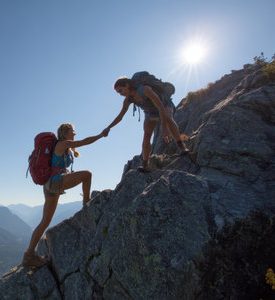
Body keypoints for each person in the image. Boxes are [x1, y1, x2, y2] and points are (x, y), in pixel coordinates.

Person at [22, 123, 107, 268]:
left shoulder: (62, 147)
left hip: (49, 185)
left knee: (45, 221)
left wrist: (67, 174)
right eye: (73, 131)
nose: (75, 134)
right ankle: (87, 204)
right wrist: (100, 135)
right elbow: (84, 142)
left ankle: (28, 256)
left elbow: (58, 167)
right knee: (87, 175)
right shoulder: (63, 144)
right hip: (55, 183)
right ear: (66, 132)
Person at [103, 76, 189, 172]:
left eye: (120, 90)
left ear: (127, 85)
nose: (120, 94)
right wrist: (108, 127)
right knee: (146, 135)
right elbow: (120, 116)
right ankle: (145, 163)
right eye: (118, 92)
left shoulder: (144, 89)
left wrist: (164, 128)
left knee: (168, 118)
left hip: (163, 104)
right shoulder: (128, 100)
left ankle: (181, 147)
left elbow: (161, 107)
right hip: (150, 112)